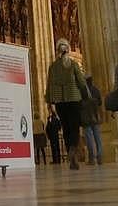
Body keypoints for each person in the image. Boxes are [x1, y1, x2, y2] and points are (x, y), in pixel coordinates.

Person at [45, 38, 87, 170]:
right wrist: (85, 95)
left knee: (66, 128)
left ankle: (70, 150)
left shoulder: (53, 67)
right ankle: (73, 150)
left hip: (60, 102)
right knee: (75, 127)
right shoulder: (73, 65)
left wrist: (49, 101)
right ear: (68, 50)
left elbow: (49, 84)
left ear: (57, 51)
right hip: (74, 100)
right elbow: (81, 82)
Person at [80, 75, 104, 164]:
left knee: (89, 137)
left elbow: (79, 104)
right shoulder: (96, 90)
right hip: (95, 116)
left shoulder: (82, 91)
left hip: (86, 117)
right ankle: (100, 155)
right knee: (98, 137)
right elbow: (100, 102)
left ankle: (91, 158)